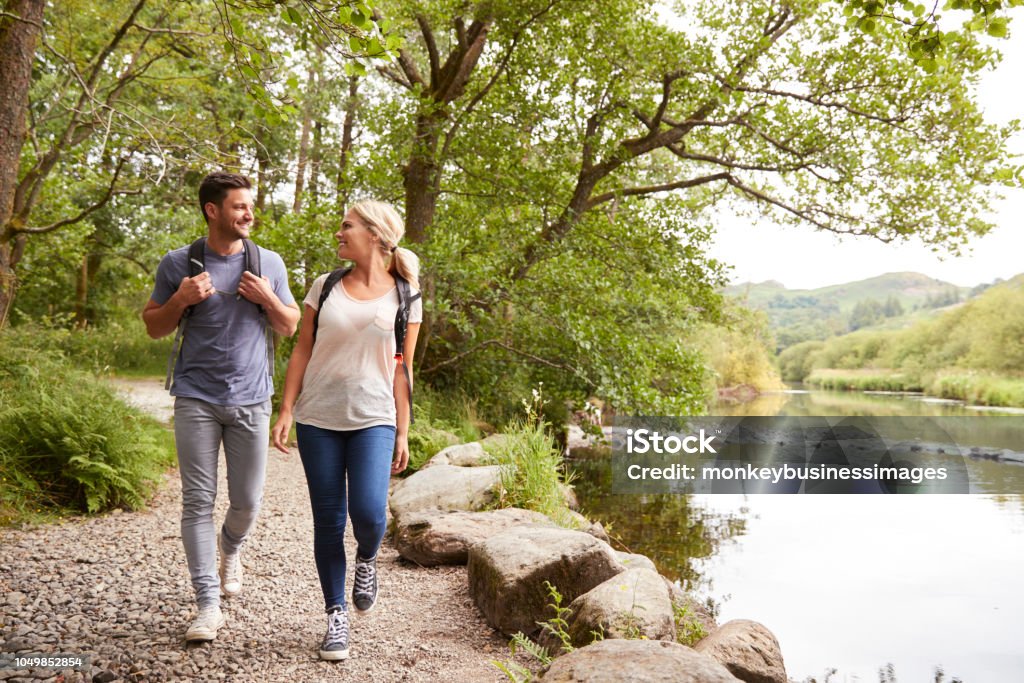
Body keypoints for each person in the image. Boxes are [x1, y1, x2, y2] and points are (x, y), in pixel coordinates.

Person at [142, 172, 299, 642]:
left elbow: (290, 326)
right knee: (196, 502)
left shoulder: (267, 261)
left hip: (252, 398)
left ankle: (232, 547)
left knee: (247, 501)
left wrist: (268, 296)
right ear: (213, 211)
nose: (249, 213)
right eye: (239, 206)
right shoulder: (178, 263)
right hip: (195, 397)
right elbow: (153, 326)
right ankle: (207, 604)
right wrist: (180, 298)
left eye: (250, 205)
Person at [270, 199, 421, 661]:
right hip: (319, 419)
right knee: (329, 521)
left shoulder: (407, 294)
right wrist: (287, 408)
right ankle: (336, 616)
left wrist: (402, 430)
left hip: (375, 417)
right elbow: (302, 349)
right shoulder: (325, 285)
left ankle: (367, 560)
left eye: (346, 226)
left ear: (375, 235)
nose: (339, 233)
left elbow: (404, 369)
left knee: (372, 514)